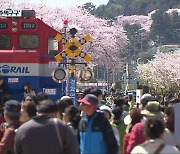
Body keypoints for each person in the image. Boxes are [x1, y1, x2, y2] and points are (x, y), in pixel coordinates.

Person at [15, 99, 79, 154]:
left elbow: (17, 150)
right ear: (55, 113)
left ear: (38, 112)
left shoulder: (22, 129)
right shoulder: (60, 126)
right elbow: (73, 149)